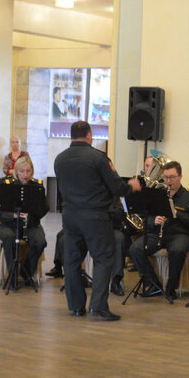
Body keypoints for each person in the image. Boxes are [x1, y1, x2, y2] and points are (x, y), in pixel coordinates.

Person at [54, 121, 141, 320]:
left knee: (73, 261)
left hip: (70, 216)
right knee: (103, 258)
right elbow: (117, 187)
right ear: (89, 135)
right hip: (94, 216)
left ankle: (76, 306)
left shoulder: (59, 159)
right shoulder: (98, 158)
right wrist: (131, 187)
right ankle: (98, 306)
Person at [128, 160, 189, 300]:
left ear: (180, 176)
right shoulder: (156, 194)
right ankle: (154, 285)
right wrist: (154, 220)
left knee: (177, 250)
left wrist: (177, 214)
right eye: (165, 177)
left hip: (180, 234)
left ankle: (171, 289)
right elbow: (145, 218)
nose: (168, 181)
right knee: (135, 249)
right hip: (158, 233)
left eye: (172, 177)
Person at [0, 155, 48, 288]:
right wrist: (14, 215)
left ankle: (26, 271)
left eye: (28, 171)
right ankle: (12, 276)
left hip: (30, 223)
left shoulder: (37, 186)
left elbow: (45, 208)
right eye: (22, 171)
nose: (25, 175)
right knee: (10, 237)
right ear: (16, 171)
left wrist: (33, 213)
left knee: (40, 242)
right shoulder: (6, 185)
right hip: (8, 224)